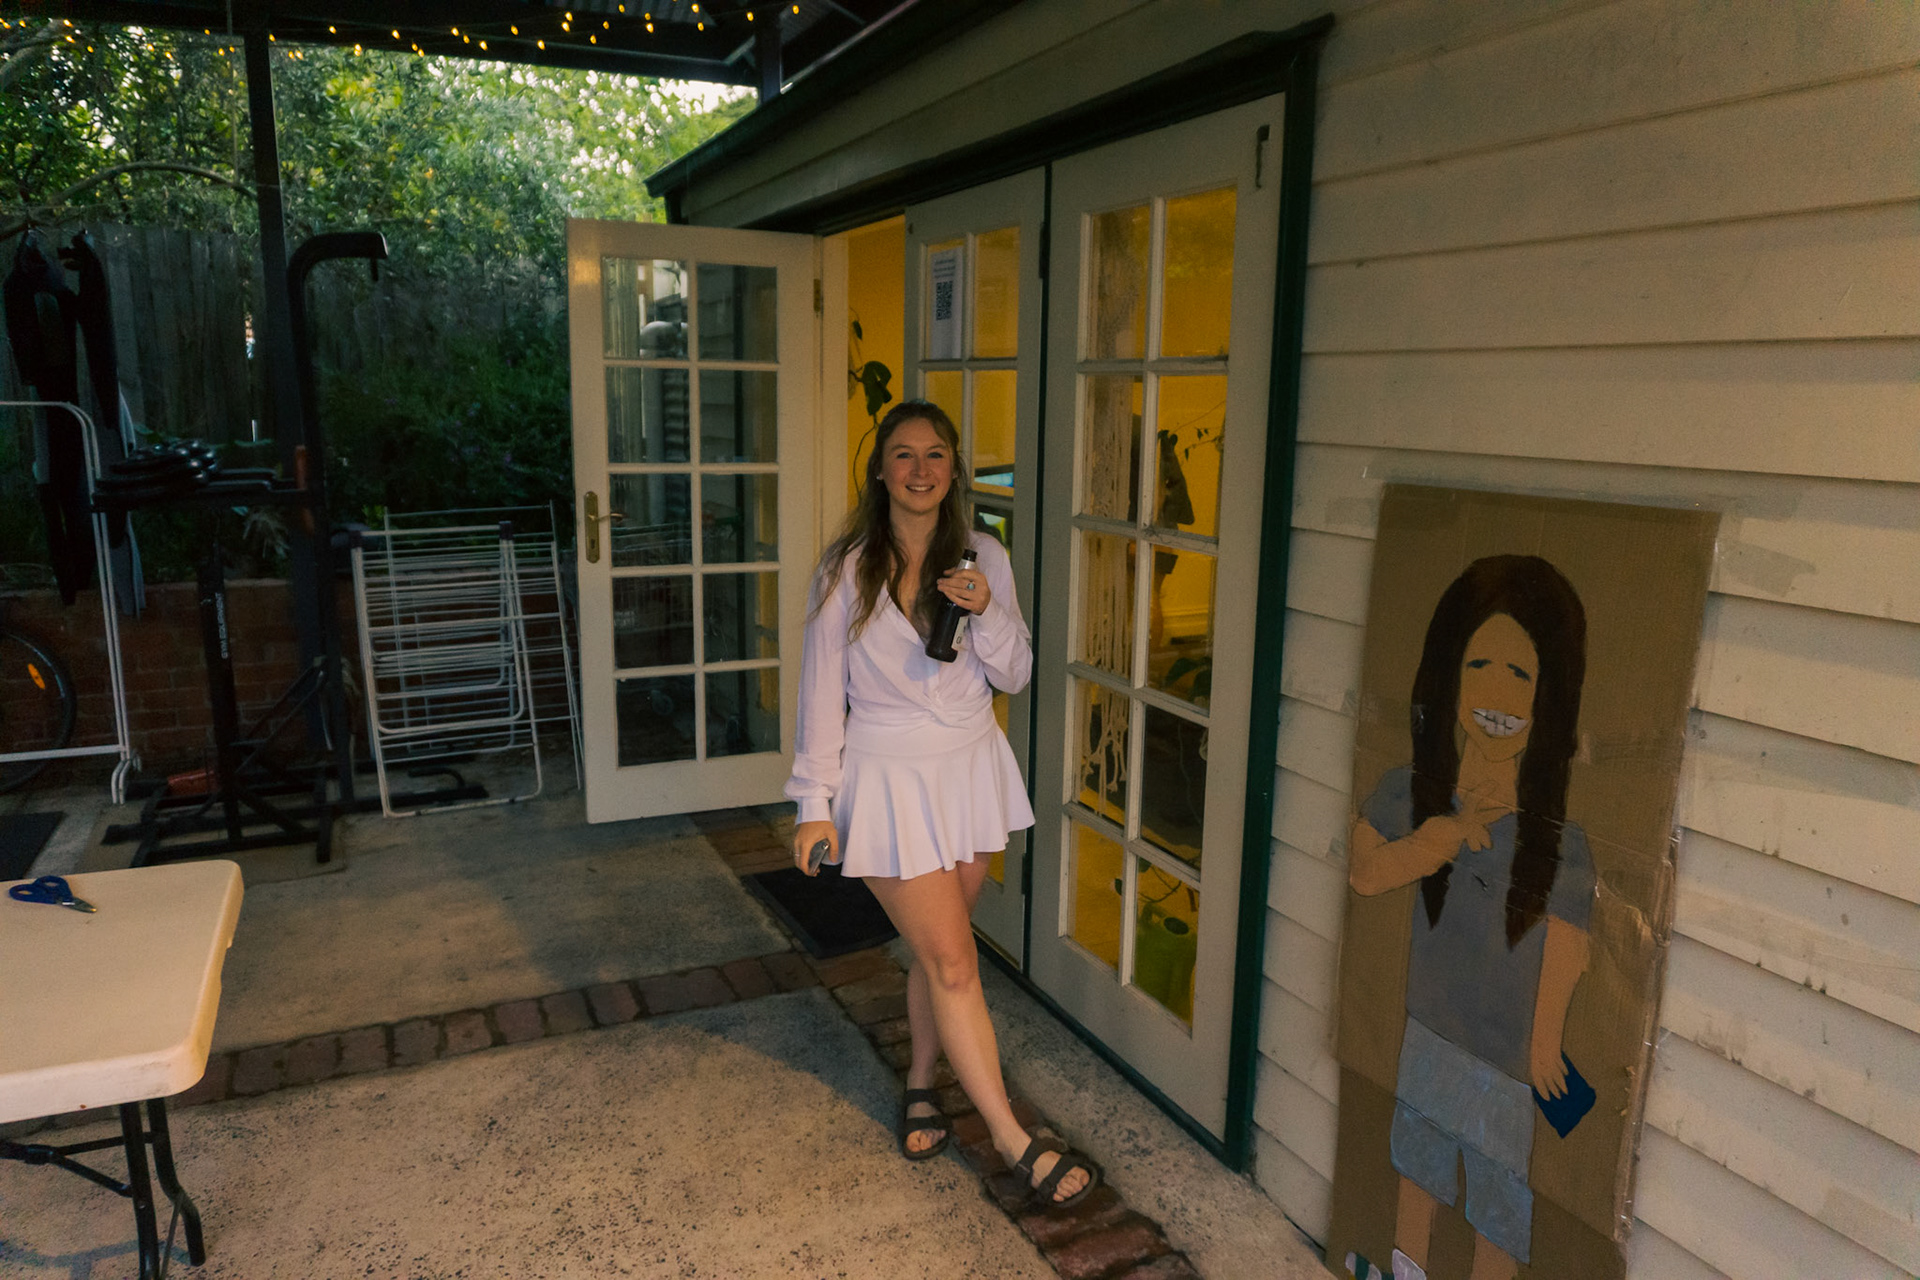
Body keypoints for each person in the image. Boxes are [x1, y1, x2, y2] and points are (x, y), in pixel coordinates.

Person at [786, 399, 1099, 1210]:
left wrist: (987, 610)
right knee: (956, 963)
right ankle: (1012, 1138)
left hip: (969, 772)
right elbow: (820, 693)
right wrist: (813, 803)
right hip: (889, 779)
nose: (920, 469)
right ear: (880, 470)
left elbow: (1016, 673)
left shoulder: (983, 554)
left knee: (940, 953)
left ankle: (922, 1081)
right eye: (903, 454)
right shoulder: (847, 568)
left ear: (954, 470)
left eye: (935, 455)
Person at [1347, 555, 1595, 1280]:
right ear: (1447, 676)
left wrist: (1544, 1041)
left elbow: (1569, 941)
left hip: (1505, 1064)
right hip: (1430, 1029)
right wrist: (1434, 843)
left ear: (1550, 696)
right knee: (1417, 1171)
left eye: (1520, 674)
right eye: (1477, 665)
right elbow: (1365, 871)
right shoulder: (1411, 791)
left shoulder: (1560, 841)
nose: (1495, 692)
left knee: (1498, 1204)